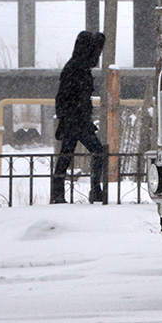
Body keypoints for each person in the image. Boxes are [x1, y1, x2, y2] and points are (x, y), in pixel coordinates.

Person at [50, 31, 108, 204]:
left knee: (67, 155)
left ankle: (59, 192)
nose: (97, 57)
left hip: (76, 120)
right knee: (93, 151)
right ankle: (94, 190)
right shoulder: (76, 69)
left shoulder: (78, 67)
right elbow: (64, 97)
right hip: (76, 121)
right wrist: (73, 117)